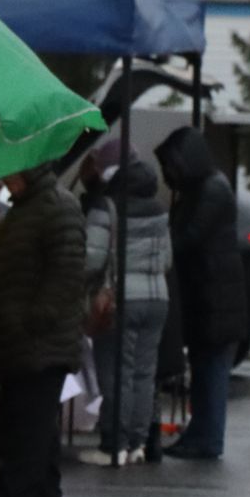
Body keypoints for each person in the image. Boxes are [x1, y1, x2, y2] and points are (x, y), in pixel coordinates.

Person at [0, 164, 86, 497]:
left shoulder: (54, 207)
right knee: (36, 426)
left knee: (28, 426)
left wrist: (30, 322)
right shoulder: (28, 208)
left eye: (13, 170)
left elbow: (65, 276)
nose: (5, 177)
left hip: (38, 343)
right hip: (24, 342)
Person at [155, 127, 249, 460]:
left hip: (215, 299)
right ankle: (201, 433)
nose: (168, 176)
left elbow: (188, 238)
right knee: (206, 370)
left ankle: (207, 438)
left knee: (211, 373)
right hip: (211, 298)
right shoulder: (209, 187)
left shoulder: (209, 191)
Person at [81, 142, 172, 466]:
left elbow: (91, 259)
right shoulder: (159, 205)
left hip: (119, 299)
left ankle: (115, 444)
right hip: (157, 297)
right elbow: (167, 259)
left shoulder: (108, 207)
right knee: (144, 373)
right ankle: (137, 443)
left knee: (116, 372)